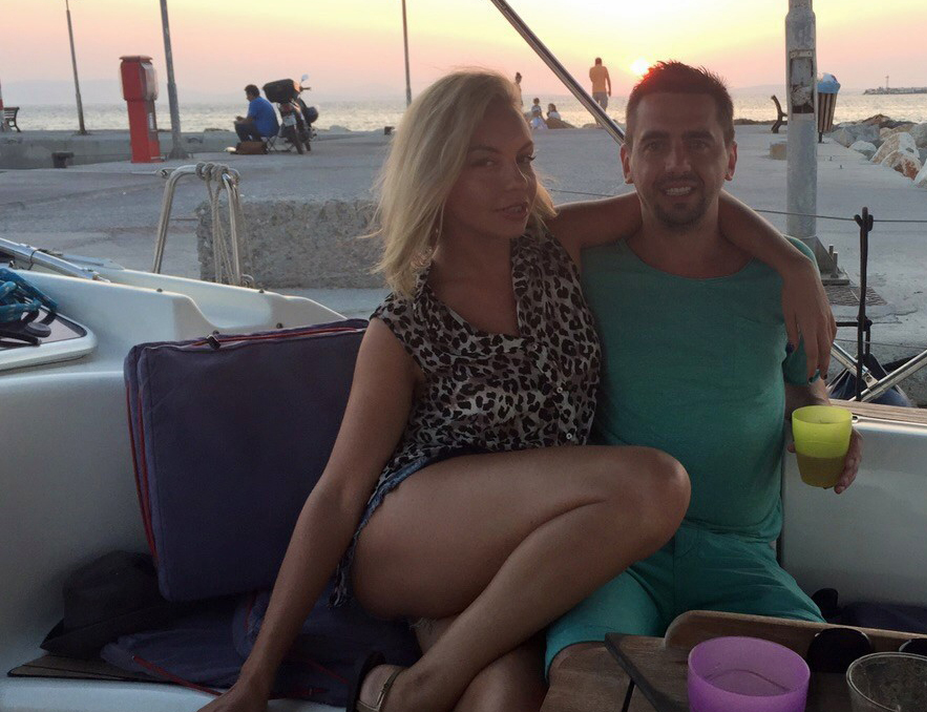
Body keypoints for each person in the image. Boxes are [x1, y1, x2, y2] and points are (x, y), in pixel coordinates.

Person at [195, 69, 835, 712]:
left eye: (523, 159)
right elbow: (337, 495)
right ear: (435, 175)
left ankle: (390, 689)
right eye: (485, 163)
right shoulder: (404, 326)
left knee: (507, 699)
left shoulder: (557, 248)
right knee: (654, 484)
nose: (516, 182)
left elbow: (680, 197)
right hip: (413, 544)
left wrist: (792, 262)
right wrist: (256, 676)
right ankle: (422, 687)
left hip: (518, 556)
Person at [546, 61, 863, 678]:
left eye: (699, 143)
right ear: (626, 162)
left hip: (739, 556)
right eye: (654, 145)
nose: (677, 163)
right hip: (619, 547)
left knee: (823, 673)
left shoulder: (783, 274)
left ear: (731, 158)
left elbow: (802, 386)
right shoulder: (589, 263)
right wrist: (789, 257)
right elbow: (551, 227)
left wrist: (826, 422)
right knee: (585, 677)